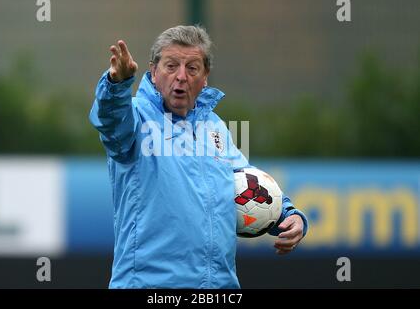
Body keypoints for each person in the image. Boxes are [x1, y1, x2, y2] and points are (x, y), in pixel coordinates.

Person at [89, 25, 308, 289]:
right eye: (171, 66)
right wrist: (116, 86)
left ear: (204, 78)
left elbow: (247, 182)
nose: (181, 76)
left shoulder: (214, 127)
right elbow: (110, 120)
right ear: (153, 72)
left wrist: (288, 215)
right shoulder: (135, 118)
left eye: (192, 68)